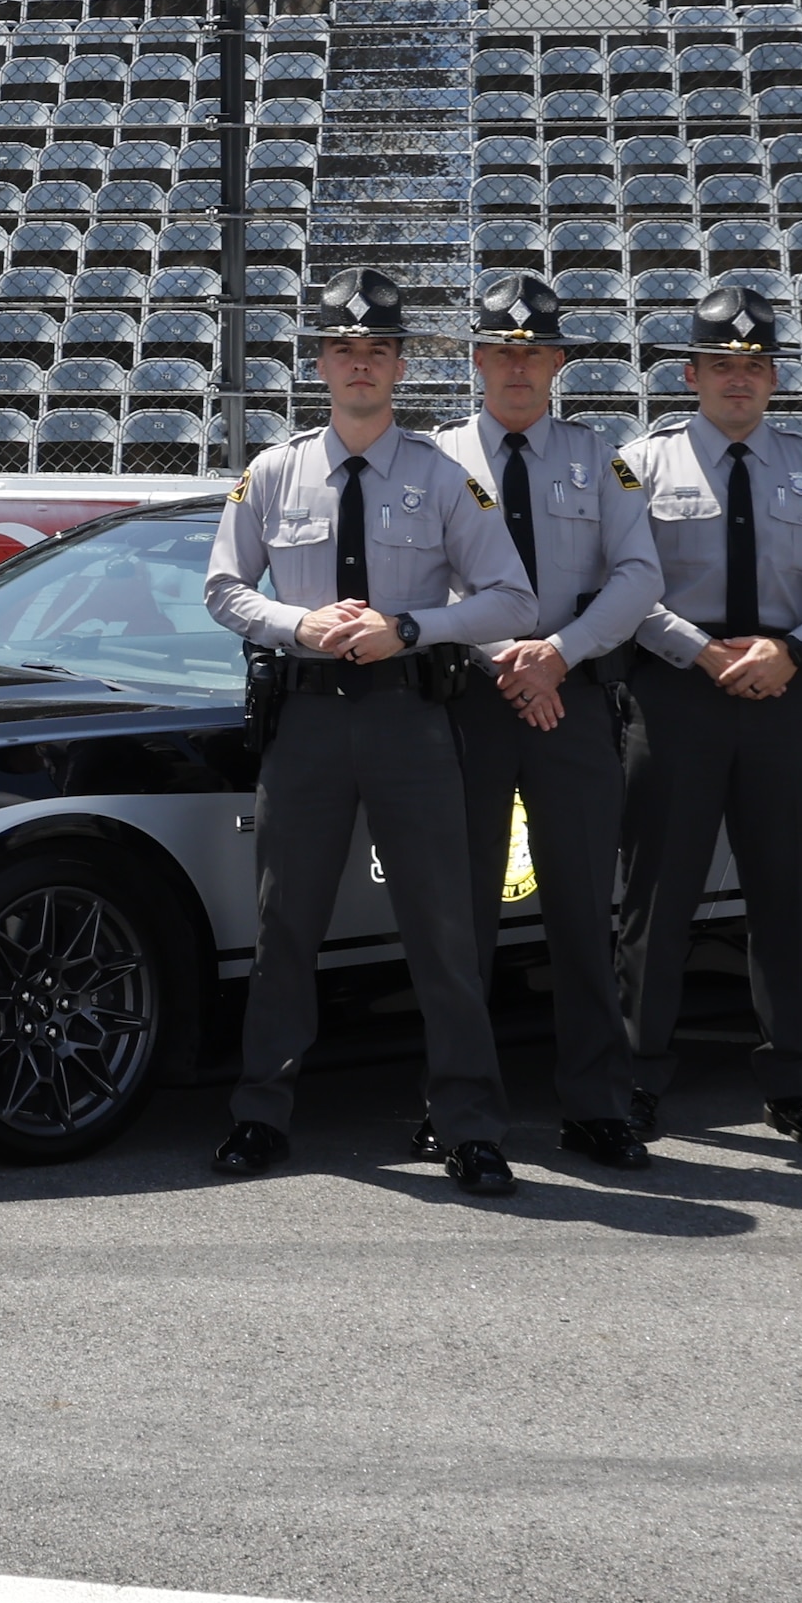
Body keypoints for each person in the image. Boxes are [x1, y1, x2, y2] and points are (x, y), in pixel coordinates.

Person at [198, 266, 541, 1197]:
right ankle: (261, 1114)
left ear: (398, 365)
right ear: (320, 360)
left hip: (409, 719)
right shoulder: (272, 471)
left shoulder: (444, 476)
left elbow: (513, 596)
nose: (359, 363)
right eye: (343, 348)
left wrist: (412, 627)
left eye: (376, 349)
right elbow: (224, 587)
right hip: (306, 720)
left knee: (442, 928)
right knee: (285, 926)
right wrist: (295, 625)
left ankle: (468, 1124)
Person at [610, 280, 802, 1149]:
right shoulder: (638, 465)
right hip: (674, 692)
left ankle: (798, 1077)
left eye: (756, 365)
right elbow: (620, 582)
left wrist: (794, 652)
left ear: (775, 379)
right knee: (656, 899)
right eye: (722, 364)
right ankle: (634, 1074)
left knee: (787, 894)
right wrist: (695, 648)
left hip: (786, 693)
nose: (739, 378)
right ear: (688, 374)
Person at [434, 271, 665, 1170]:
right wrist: (510, 660)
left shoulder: (599, 457)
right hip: (470, 701)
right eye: (500, 348)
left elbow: (638, 575)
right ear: (479, 360)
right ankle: (454, 1104)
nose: (517, 364)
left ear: (559, 360)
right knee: (462, 918)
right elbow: (426, 584)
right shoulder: (437, 457)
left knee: (579, 909)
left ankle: (597, 1104)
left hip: (571, 705)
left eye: (534, 349)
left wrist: (557, 655)